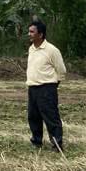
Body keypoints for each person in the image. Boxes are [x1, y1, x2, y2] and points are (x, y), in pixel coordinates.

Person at [25, 19, 66, 150]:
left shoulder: (52, 50)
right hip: (32, 88)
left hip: (47, 88)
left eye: (32, 32)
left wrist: (53, 86)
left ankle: (57, 143)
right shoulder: (31, 49)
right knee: (33, 116)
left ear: (41, 34)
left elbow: (61, 70)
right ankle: (36, 141)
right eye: (29, 31)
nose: (29, 34)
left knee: (50, 116)